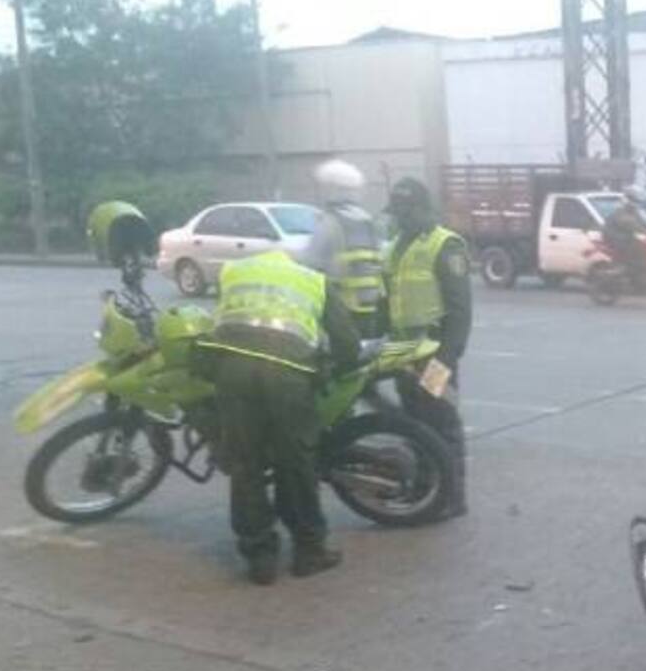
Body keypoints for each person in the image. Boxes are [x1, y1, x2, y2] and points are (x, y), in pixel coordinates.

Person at [201, 250, 360, 585]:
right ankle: (309, 552)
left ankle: (260, 557)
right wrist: (339, 368)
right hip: (287, 376)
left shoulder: (234, 271)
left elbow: (219, 322)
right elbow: (347, 342)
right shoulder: (313, 280)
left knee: (245, 464)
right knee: (296, 462)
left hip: (233, 372)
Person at [383, 177, 472, 518]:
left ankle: (452, 496)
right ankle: (424, 489)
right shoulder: (393, 247)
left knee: (442, 423)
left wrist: (447, 359)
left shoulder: (444, 245)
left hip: (435, 352)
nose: (400, 218)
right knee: (414, 424)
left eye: (406, 211)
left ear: (422, 209)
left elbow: (460, 311)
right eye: (397, 212)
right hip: (402, 350)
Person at [302, 159, 387, 338]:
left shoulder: (328, 223)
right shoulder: (369, 222)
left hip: (340, 311)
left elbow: (309, 267)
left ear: (331, 189)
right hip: (372, 308)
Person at [601, 185, 646, 280]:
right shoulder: (621, 208)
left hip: (625, 235)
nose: (637, 201)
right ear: (629, 197)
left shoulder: (636, 210)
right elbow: (628, 223)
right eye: (635, 198)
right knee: (635, 246)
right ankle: (622, 268)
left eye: (638, 199)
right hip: (613, 235)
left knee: (643, 246)